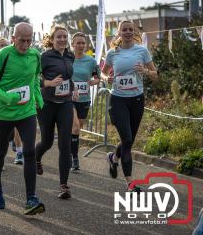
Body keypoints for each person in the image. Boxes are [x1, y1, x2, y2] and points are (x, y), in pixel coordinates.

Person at [0, 22, 45, 215]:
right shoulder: (4, 54)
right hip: (3, 112)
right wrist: (7, 97)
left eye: (29, 40)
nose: (25, 44)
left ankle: (31, 198)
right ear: (13, 38)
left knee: (29, 151)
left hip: (26, 111)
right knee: (0, 151)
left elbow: (35, 77)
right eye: (22, 40)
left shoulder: (36, 55)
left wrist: (37, 95)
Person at [102, 20, 158, 192]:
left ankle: (113, 157)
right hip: (118, 100)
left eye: (130, 29)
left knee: (129, 141)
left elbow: (156, 75)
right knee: (126, 139)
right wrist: (107, 79)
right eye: (124, 30)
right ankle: (130, 183)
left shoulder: (142, 51)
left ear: (134, 32)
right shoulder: (113, 53)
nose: (127, 32)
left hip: (137, 101)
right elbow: (103, 73)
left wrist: (146, 72)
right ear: (118, 33)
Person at [35, 25, 75, 199]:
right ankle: (36, 158)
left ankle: (64, 185)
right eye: (59, 37)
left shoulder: (70, 55)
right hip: (47, 104)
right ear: (51, 39)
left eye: (65, 37)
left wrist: (72, 88)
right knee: (47, 141)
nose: (62, 40)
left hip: (65, 103)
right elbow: (35, 77)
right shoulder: (44, 56)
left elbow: (68, 77)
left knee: (65, 144)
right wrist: (49, 83)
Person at [0, 37, 24, 164]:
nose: (2, 47)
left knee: (16, 129)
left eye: (5, 45)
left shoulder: (16, 60)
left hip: (14, 98)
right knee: (0, 134)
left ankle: (19, 152)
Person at [70, 32, 100, 172]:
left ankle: (69, 149)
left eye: (83, 43)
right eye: (78, 43)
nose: (81, 45)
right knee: (75, 127)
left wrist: (95, 81)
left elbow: (97, 77)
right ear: (72, 44)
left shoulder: (91, 61)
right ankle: (74, 159)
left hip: (84, 99)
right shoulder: (67, 59)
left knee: (76, 130)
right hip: (68, 99)